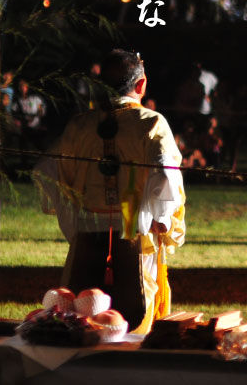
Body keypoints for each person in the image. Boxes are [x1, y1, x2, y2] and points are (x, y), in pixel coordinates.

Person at [34, 49, 186, 333]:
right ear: (141, 85)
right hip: (134, 226)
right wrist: (161, 216)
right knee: (134, 309)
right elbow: (165, 171)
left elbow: (47, 170)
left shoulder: (80, 125)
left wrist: (72, 214)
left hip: (88, 226)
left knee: (82, 310)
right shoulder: (151, 122)